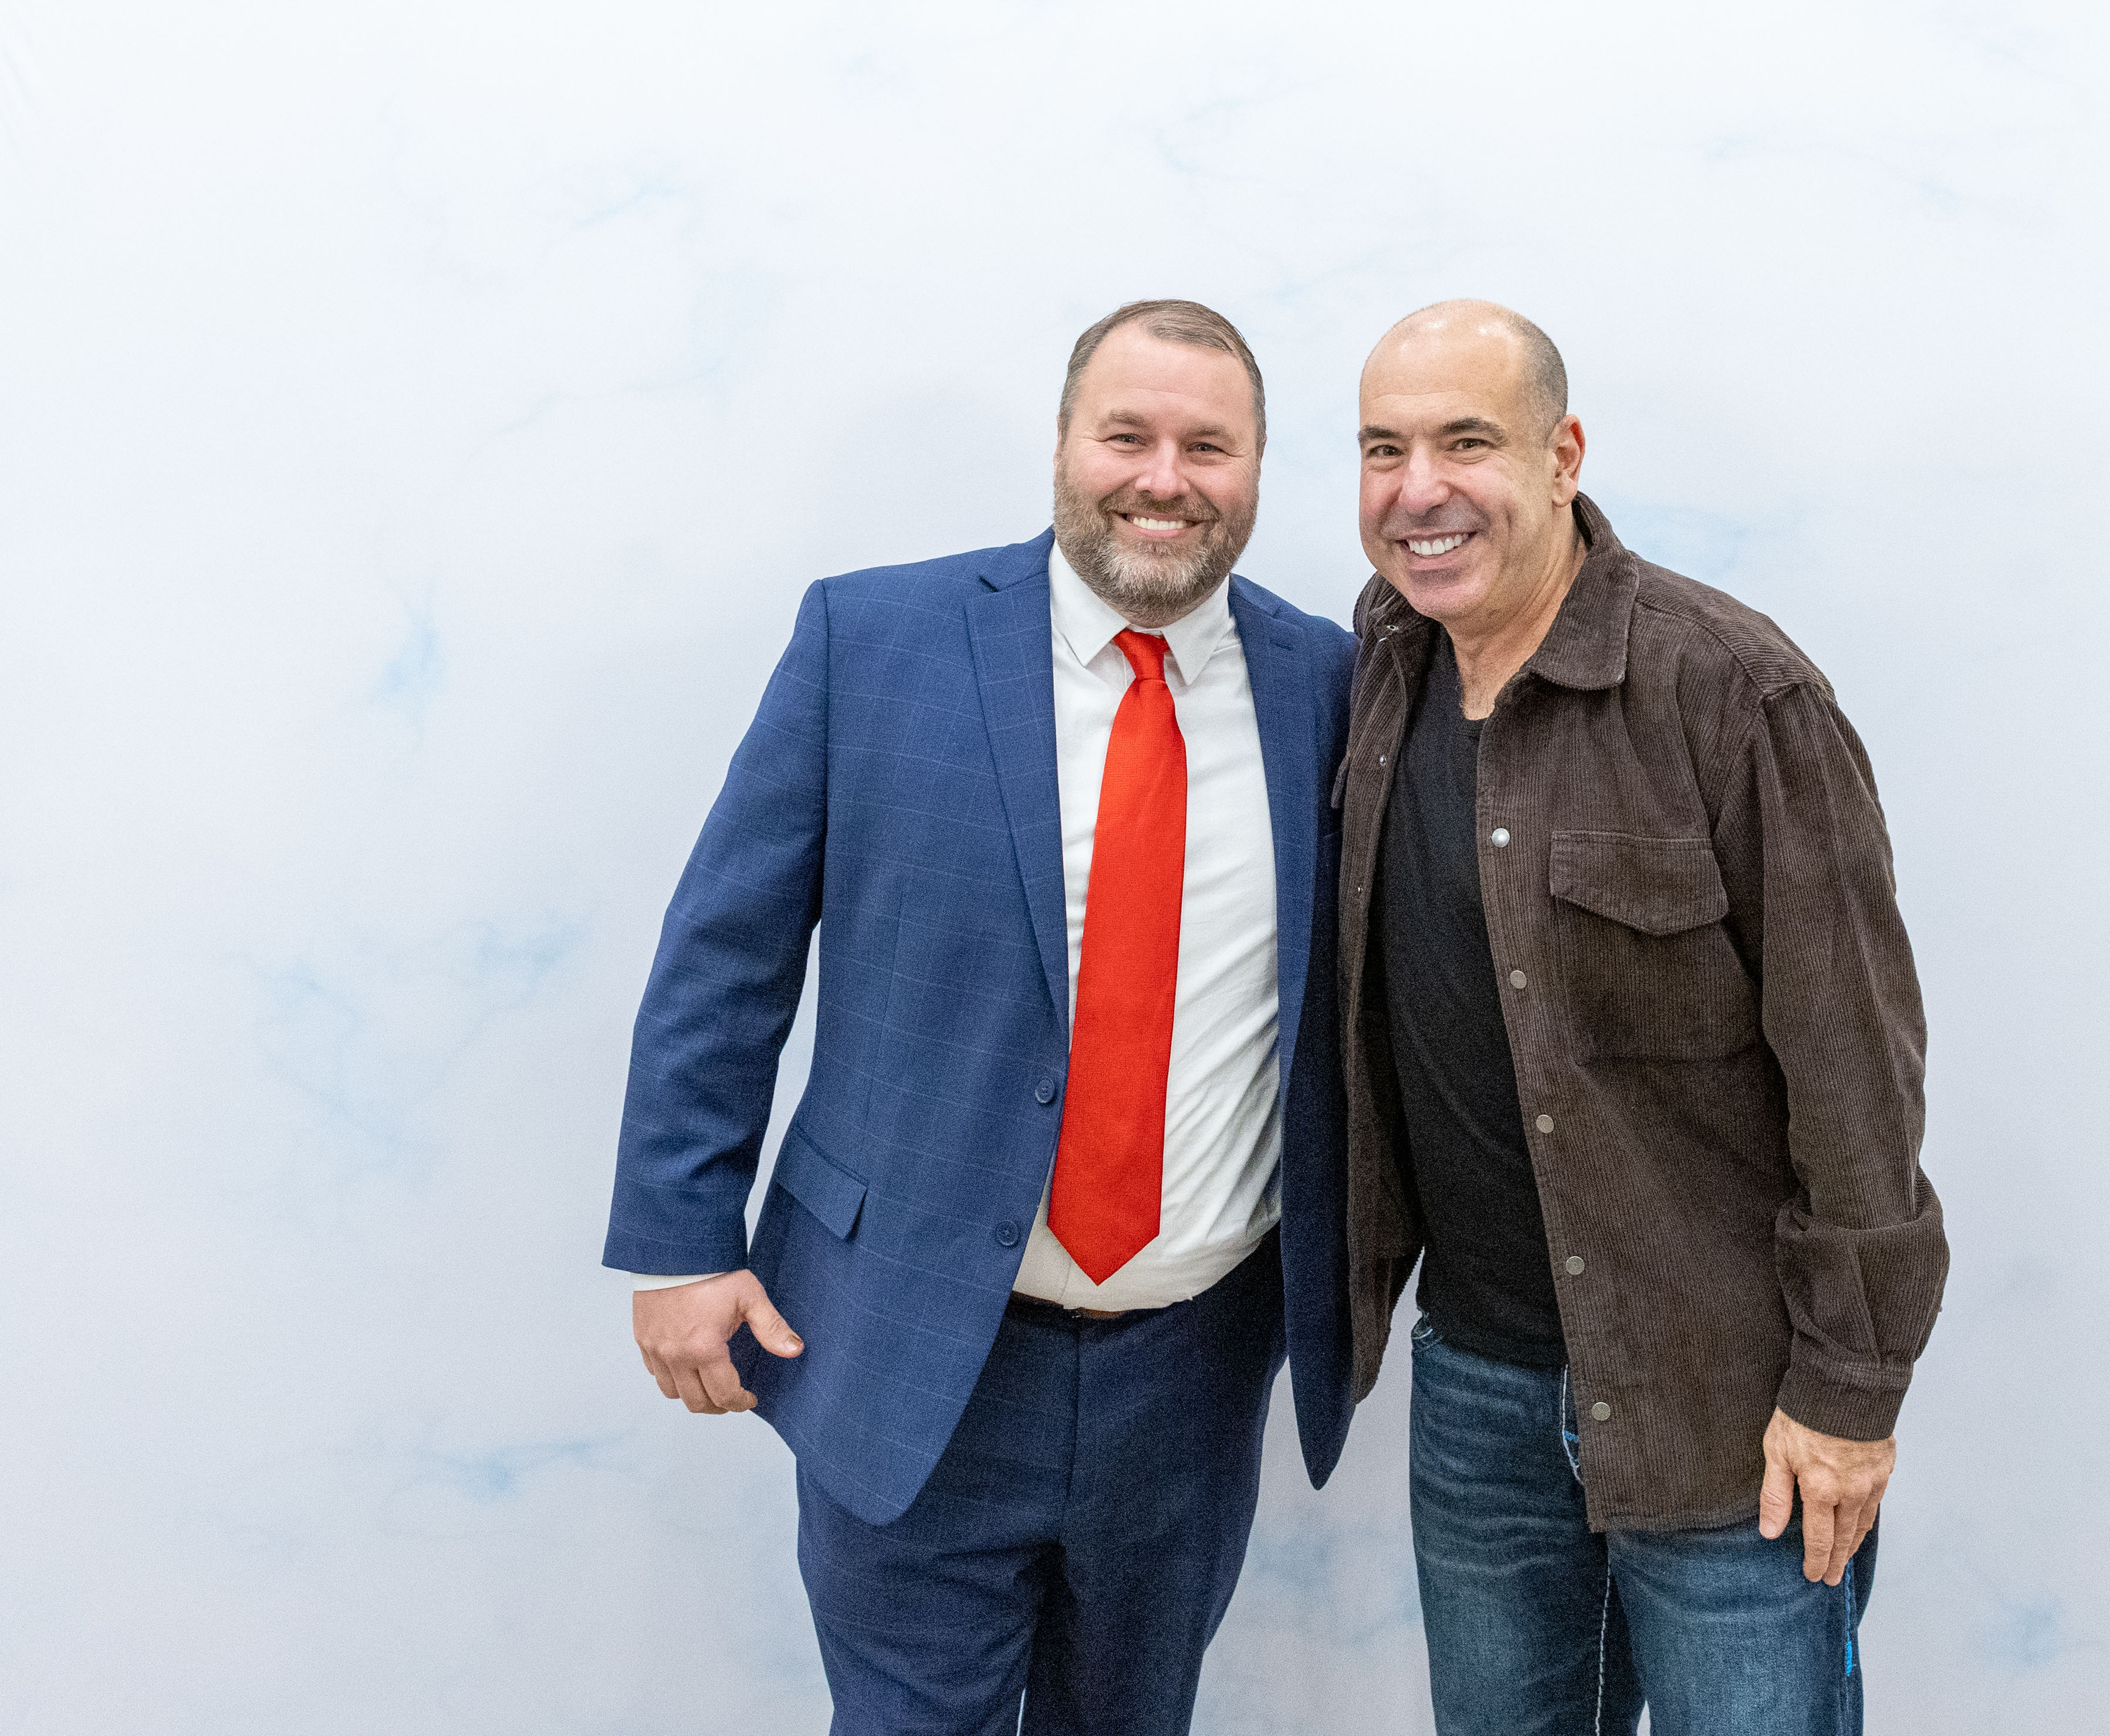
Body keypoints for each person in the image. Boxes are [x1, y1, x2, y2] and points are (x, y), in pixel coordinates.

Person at [603, 299, 1358, 1735]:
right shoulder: (872, 640)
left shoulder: (1332, 684)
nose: (1165, 478)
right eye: (1127, 435)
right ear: (1064, 443)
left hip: (1190, 1377)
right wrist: (681, 1240)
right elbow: (725, 955)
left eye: (1209, 446)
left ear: (1258, 469)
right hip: (906, 1346)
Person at [1335, 300, 1949, 1735]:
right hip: (1477, 1392)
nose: (1418, 489)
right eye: (1382, 448)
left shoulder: (1732, 691)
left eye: (1466, 442)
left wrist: (1851, 1391)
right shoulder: (1383, 667)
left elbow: (1858, 1066)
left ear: (1563, 456)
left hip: (1729, 1414)